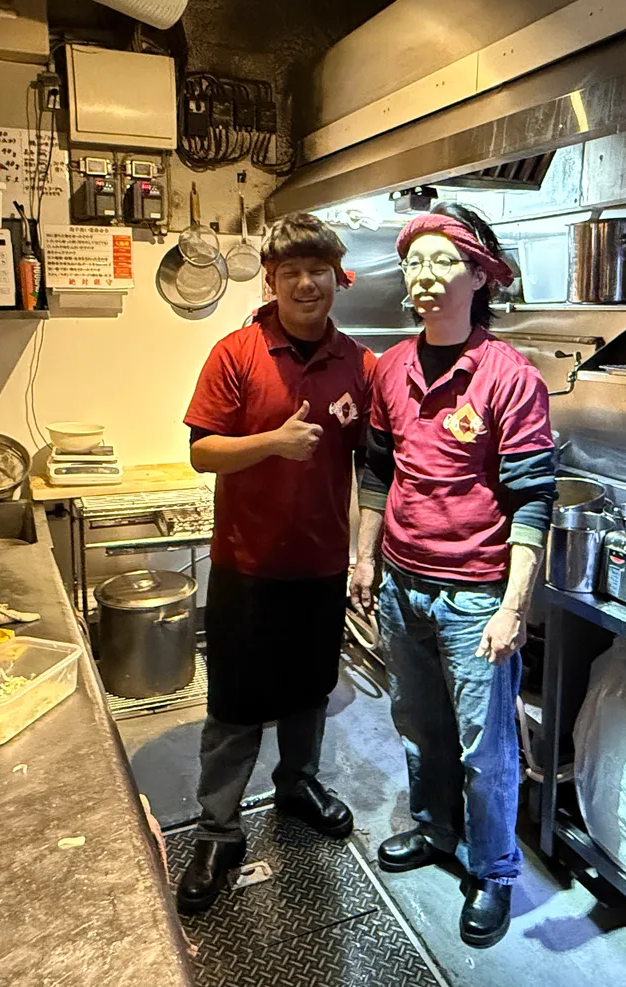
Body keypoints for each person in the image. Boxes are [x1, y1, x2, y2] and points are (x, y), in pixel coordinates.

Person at [349, 203, 556, 948]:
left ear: (479, 274)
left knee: (485, 746)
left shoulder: (509, 377)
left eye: (443, 262)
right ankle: (436, 832)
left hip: (476, 595)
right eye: (414, 262)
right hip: (403, 582)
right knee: (418, 725)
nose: (425, 277)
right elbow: (376, 470)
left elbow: (534, 498)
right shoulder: (392, 369)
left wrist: (513, 605)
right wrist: (363, 556)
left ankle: (495, 869)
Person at [178, 211, 377, 913]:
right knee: (234, 706)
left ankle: (296, 785)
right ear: (271, 278)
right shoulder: (237, 353)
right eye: (290, 271)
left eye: (317, 270)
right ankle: (218, 829)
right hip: (246, 566)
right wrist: (270, 441)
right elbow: (202, 450)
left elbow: (379, 465)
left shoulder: (359, 362)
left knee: (309, 692)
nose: (304, 283)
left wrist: (364, 554)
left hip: (321, 567)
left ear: (337, 278)